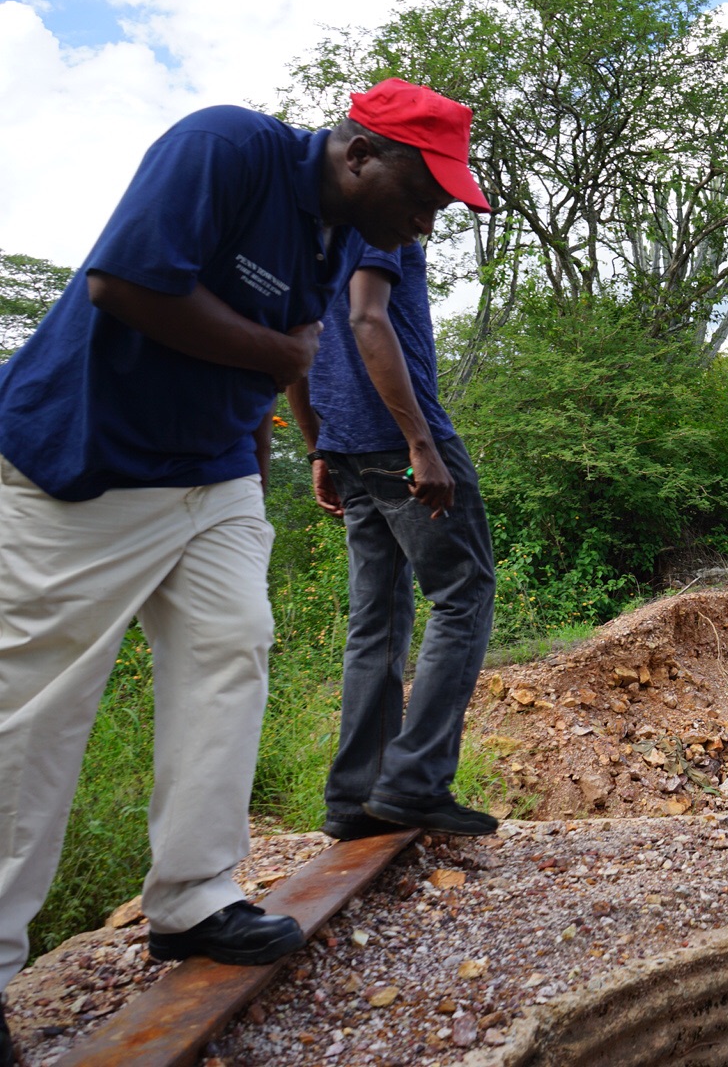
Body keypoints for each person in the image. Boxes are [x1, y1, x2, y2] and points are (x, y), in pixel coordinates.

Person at [0, 76, 488, 1052]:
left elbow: (297, 357)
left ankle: (193, 897)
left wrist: (292, 444)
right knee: (39, 711)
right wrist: (276, 356)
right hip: (81, 463)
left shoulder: (339, 233)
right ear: (359, 155)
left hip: (216, 472)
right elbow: (124, 284)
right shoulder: (224, 147)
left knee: (232, 653)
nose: (429, 221)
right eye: (424, 195)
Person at [286, 228, 497, 839]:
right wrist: (421, 443)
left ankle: (354, 799)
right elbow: (365, 317)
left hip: (345, 444)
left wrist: (316, 446)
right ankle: (415, 780)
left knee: (374, 617)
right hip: (398, 438)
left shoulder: (314, 230)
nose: (434, 212)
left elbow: (301, 337)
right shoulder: (381, 219)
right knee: (464, 593)